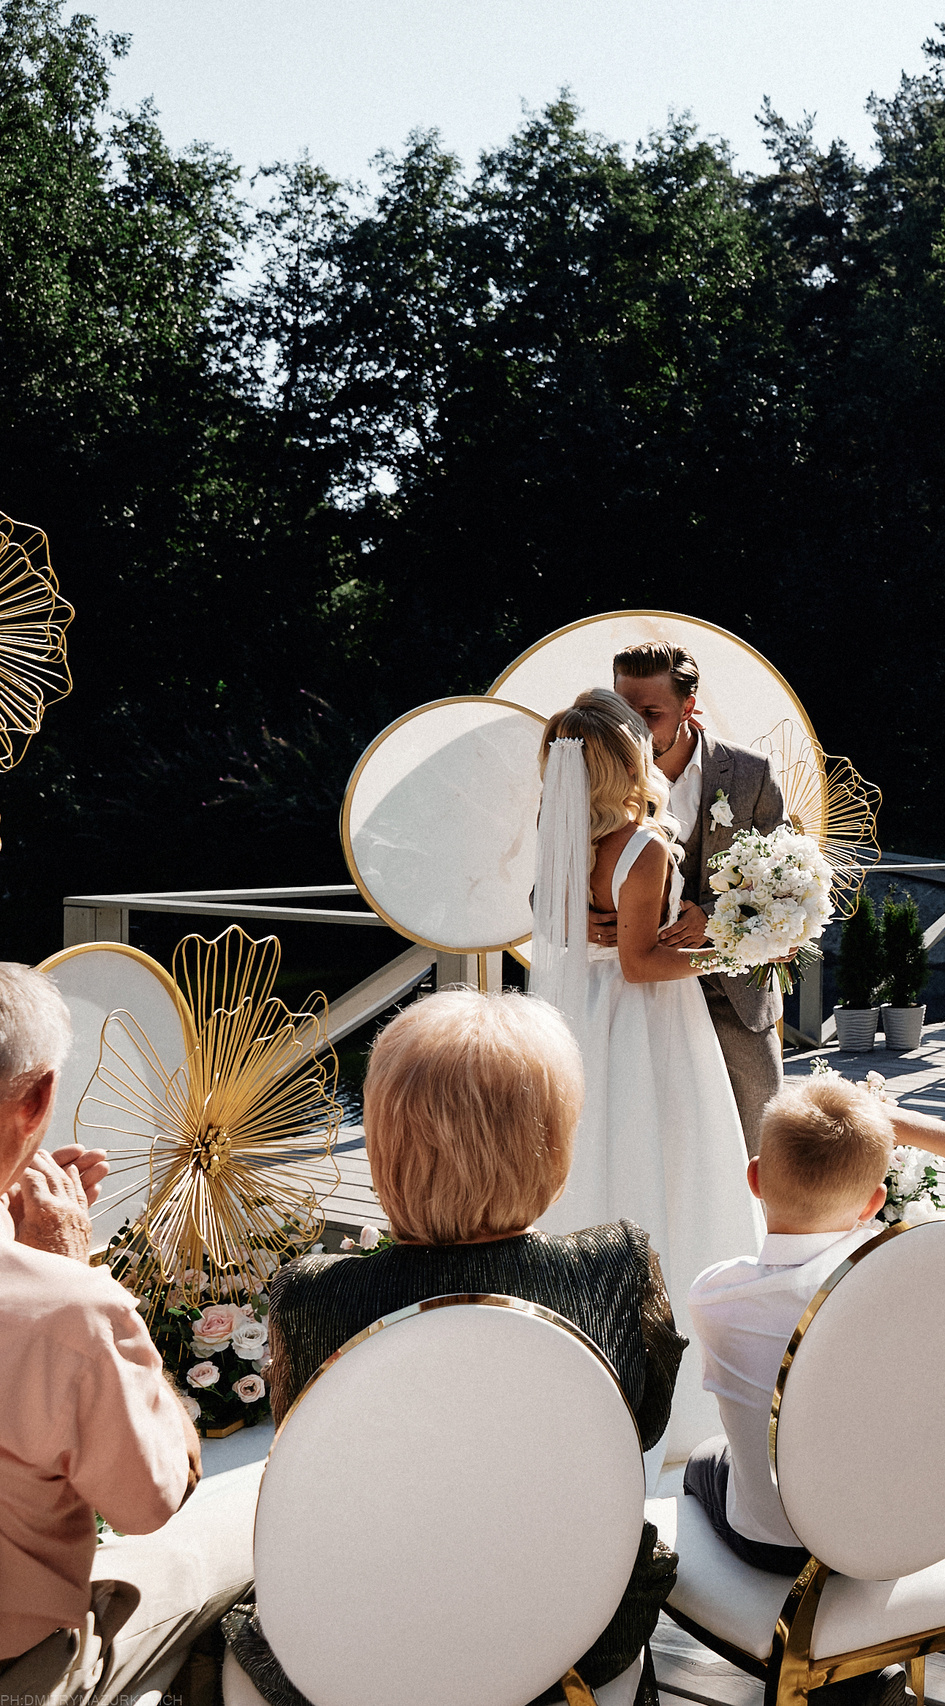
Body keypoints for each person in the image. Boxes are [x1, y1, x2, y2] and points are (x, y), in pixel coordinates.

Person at [229, 989, 678, 1704]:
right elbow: (644, 1426)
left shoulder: (311, 1295)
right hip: (571, 1630)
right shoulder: (615, 1266)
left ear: (383, 1143)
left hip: (368, 1644)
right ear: (552, 1144)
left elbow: (311, 1459)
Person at [687, 1071, 945, 1577]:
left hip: (776, 1548)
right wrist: (895, 1122)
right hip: (894, 1535)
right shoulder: (926, 1270)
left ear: (754, 1178)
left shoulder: (714, 1296)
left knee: (706, 1456)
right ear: (873, 1203)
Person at [0, 965, 254, 1706]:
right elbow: (155, 1498)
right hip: (21, 1676)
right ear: (41, 1096)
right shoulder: (64, 1310)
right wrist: (77, 1275)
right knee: (243, 1527)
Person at [530, 688, 762, 1458]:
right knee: (668, 1147)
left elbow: (584, 936)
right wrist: (725, 949)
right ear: (627, 762)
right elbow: (640, 963)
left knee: (599, 1146)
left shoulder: (564, 840)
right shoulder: (644, 846)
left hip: (583, 1022)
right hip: (646, 1024)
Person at [596, 641, 790, 1153]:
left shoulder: (752, 775)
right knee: (650, 1149)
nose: (634, 728)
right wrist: (585, 917)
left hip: (734, 998)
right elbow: (544, 890)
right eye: (624, 711)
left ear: (689, 707)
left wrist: (719, 919)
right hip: (637, 998)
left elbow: (789, 884)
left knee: (759, 1145)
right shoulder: (602, 776)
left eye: (650, 713)